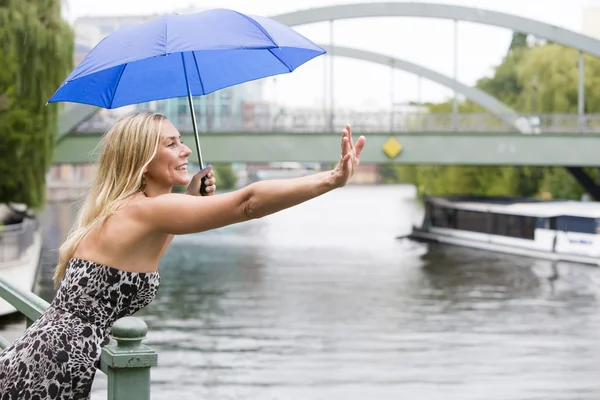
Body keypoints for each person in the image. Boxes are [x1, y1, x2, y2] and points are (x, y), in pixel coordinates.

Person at [0, 110, 366, 398]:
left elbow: (149, 247)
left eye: (181, 141)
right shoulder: (145, 210)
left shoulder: (134, 209)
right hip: (54, 363)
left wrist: (191, 200)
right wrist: (330, 180)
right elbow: (248, 203)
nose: (186, 149)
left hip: (49, 353)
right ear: (142, 158)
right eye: (171, 143)